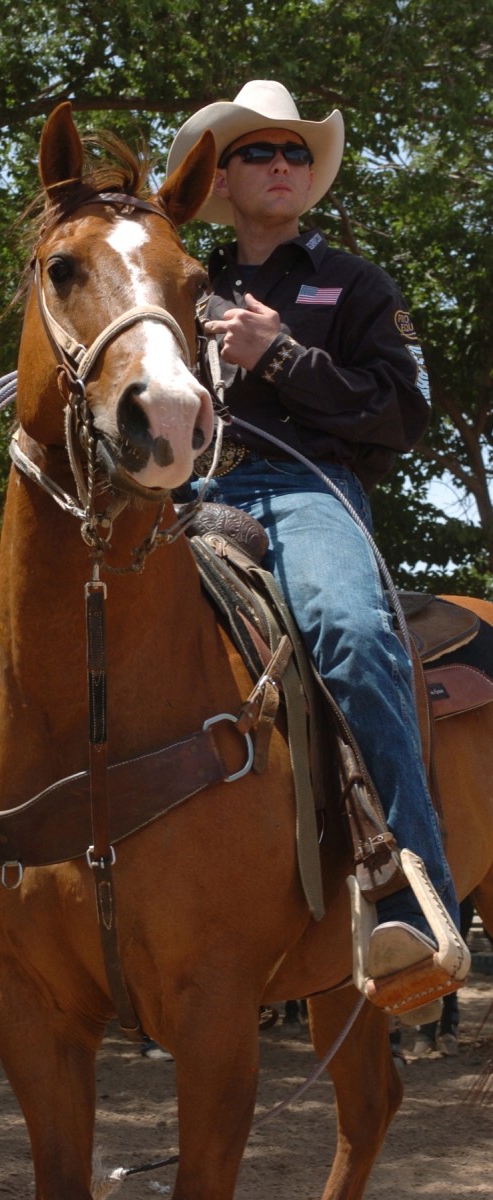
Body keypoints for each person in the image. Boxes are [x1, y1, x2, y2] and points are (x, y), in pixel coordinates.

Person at [166, 79, 464, 998]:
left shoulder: (355, 284)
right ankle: (1, 905)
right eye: (260, 150)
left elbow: (402, 414)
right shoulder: (181, 283)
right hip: (189, 493)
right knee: (55, 620)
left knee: (351, 632)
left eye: (296, 151)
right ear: (223, 174)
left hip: (307, 488)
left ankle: (415, 905)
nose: (283, 164)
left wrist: (283, 358)